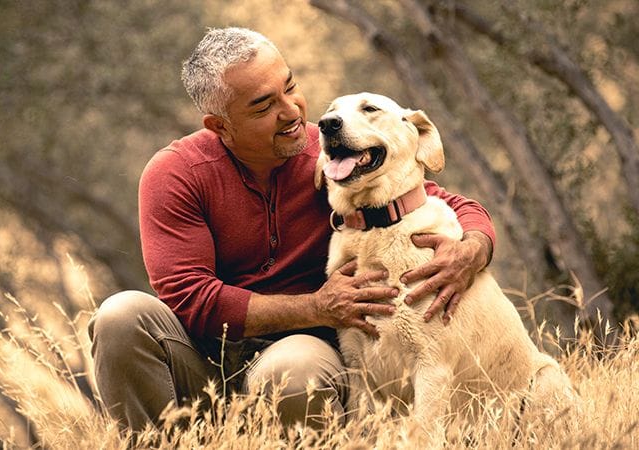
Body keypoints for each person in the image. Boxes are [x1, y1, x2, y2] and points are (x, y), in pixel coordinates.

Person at [88, 27, 496, 432]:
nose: (293, 112)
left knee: (294, 371)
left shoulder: (337, 153)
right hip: (202, 361)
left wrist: (474, 247)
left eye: (291, 87)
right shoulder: (176, 173)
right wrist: (316, 306)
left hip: (300, 361)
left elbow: (435, 198)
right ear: (220, 126)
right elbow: (192, 297)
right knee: (119, 316)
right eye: (264, 106)